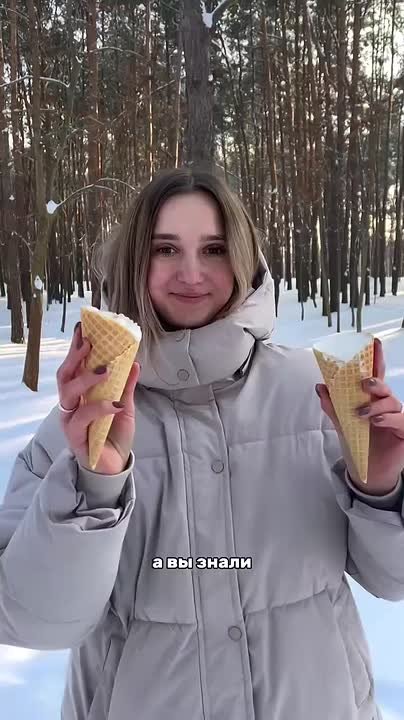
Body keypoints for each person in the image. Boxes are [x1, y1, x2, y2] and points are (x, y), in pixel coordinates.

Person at [0, 167, 404, 720]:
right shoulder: (76, 425)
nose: (191, 273)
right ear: (136, 260)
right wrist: (95, 483)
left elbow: (393, 579)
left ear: (242, 258)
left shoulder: (314, 394)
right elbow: (35, 619)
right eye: (165, 249)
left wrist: (380, 489)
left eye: (214, 249)